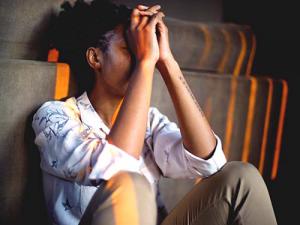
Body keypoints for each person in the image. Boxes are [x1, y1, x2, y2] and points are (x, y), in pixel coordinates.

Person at [32, 0, 278, 224]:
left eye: (145, 50)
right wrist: (147, 62)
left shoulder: (149, 121)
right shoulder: (55, 118)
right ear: (95, 58)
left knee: (241, 177)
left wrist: (167, 61)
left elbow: (211, 164)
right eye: (132, 48)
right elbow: (117, 170)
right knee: (131, 184)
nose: (142, 57)